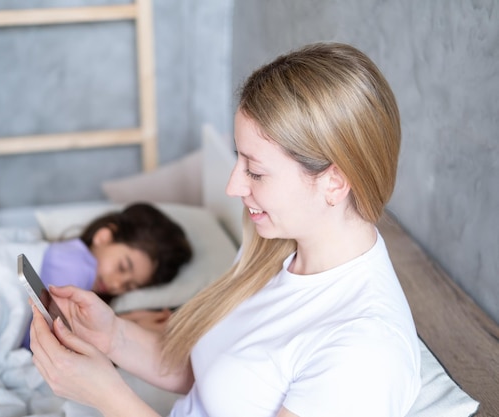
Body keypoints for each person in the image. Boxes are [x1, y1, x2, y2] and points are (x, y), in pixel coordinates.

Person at [28, 42, 422, 417]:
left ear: (334, 182)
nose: (234, 187)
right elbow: (214, 379)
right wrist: (112, 335)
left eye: (256, 171)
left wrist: (106, 393)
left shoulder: (367, 352)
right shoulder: (271, 249)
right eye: (239, 161)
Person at [21, 202, 192, 348]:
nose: (117, 285)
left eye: (129, 286)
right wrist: (131, 324)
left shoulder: (71, 257)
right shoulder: (80, 267)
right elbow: (45, 341)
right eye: (122, 267)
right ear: (103, 237)